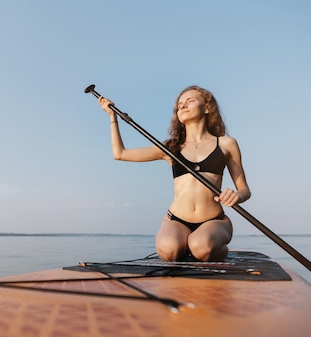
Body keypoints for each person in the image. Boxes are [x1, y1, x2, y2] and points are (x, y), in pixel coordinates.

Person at [98, 86, 251, 261]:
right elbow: (120, 154)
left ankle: (215, 249)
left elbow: (245, 190)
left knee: (201, 247)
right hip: (177, 219)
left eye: (190, 101)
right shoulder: (170, 148)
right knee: (169, 250)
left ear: (207, 108)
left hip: (214, 220)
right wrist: (112, 118)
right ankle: (184, 245)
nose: (183, 106)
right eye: (179, 105)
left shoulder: (226, 144)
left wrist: (237, 196)